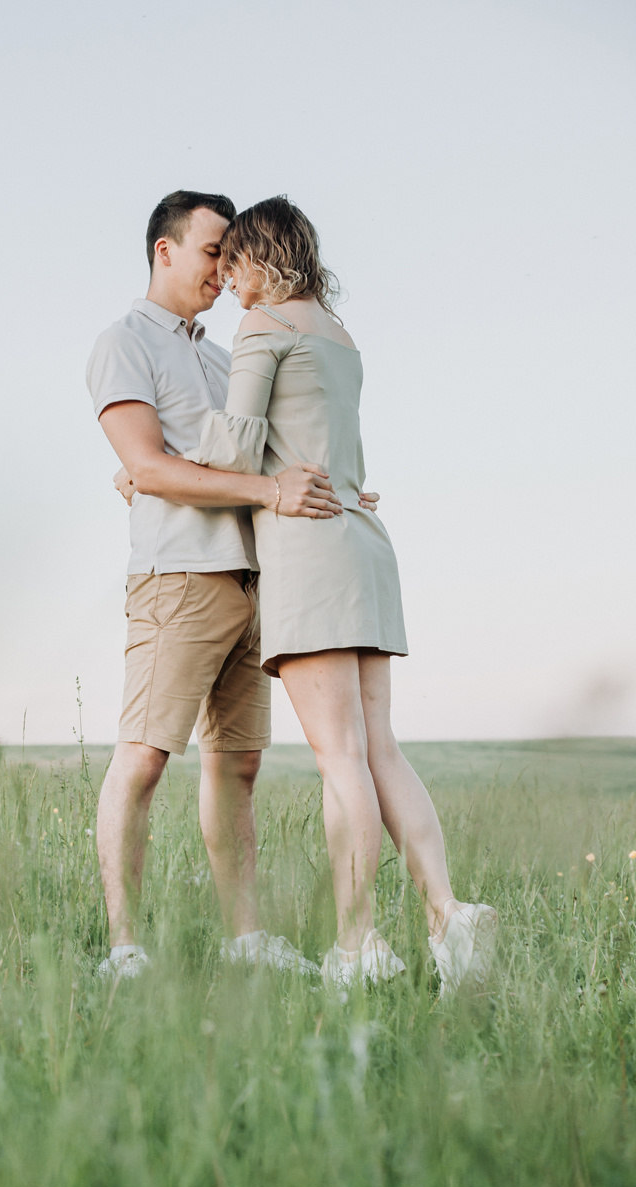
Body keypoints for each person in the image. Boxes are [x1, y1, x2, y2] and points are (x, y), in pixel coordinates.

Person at [182, 196, 497, 996]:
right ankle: (450, 914)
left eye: (234, 260)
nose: (228, 277)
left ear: (258, 257)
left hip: (310, 550)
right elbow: (335, 447)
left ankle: (360, 947)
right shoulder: (338, 335)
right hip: (361, 541)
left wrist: (156, 462)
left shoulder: (265, 327)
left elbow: (237, 443)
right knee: (381, 748)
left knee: (340, 759)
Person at [86, 190, 369, 979]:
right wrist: (261, 492)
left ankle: (246, 941)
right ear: (164, 251)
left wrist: (335, 489)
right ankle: (124, 947)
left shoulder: (225, 352)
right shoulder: (123, 343)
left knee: (236, 766)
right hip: (180, 578)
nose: (226, 267)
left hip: (260, 579)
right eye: (213, 250)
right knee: (143, 759)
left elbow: (256, 452)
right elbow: (148, 464)